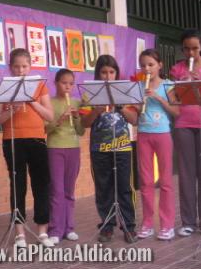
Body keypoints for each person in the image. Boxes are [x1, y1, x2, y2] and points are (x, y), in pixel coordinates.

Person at [0, 48, 54, 247]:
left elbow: (50, 116)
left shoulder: (39, 86)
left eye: (24, 66)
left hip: (37, 139)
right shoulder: (3, 86)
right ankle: (20, 233)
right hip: (12, 140)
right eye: (16, 67)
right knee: (18, 185)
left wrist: (33, 103)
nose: (20, 70)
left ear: (30, 66)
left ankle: (42, 231)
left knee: (41, 184)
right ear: (10, 67)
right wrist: (11, 110)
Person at [81, 55, 138, 243]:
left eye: (111, 72)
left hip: (122, 148)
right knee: (103, 189)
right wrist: (96, 110)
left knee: (124, 188)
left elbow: (134, 120)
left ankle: (129, 226)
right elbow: (84, 123)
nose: (107, 76)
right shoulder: (90, 94)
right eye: (103, 72)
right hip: (99, 148)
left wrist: (121, 107)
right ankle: (107, 226)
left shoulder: (124, 92)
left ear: (116, 73)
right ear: (97, 74)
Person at [169, 29, 201, 237]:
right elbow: (172, 98)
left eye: (195, 48)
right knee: (187, 174)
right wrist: (183, 83)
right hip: (183, 124)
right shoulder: (177, 69)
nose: (190, 53)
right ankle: (188, 221)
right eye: (186, 49)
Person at [136, 49, 179, 241]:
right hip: (143, 134)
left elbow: (176, 112)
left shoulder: (168, 85)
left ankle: (167, 225)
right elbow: (136, 113)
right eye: (143, 65)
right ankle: (147, 223)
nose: (147, 68)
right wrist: (140, 102)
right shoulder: (138, 86)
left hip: (163, 134)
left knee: (166, 181)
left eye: (151, 64)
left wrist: (158, 98)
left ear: (160, 65)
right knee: (146, 182)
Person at [45, 68, 84, 244]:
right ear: (56, 83)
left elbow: (81, 131)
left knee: (69, 190)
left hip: (74, 148)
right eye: (63, 83)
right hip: (55, 148)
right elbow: (46, 129)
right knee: (57, 190)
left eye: (70, 84)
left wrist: (76, 118)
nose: (67, 87)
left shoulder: (77, 103)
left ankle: (69, 228)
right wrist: (60, 119)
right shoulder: (50, 102)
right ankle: (55, 229)